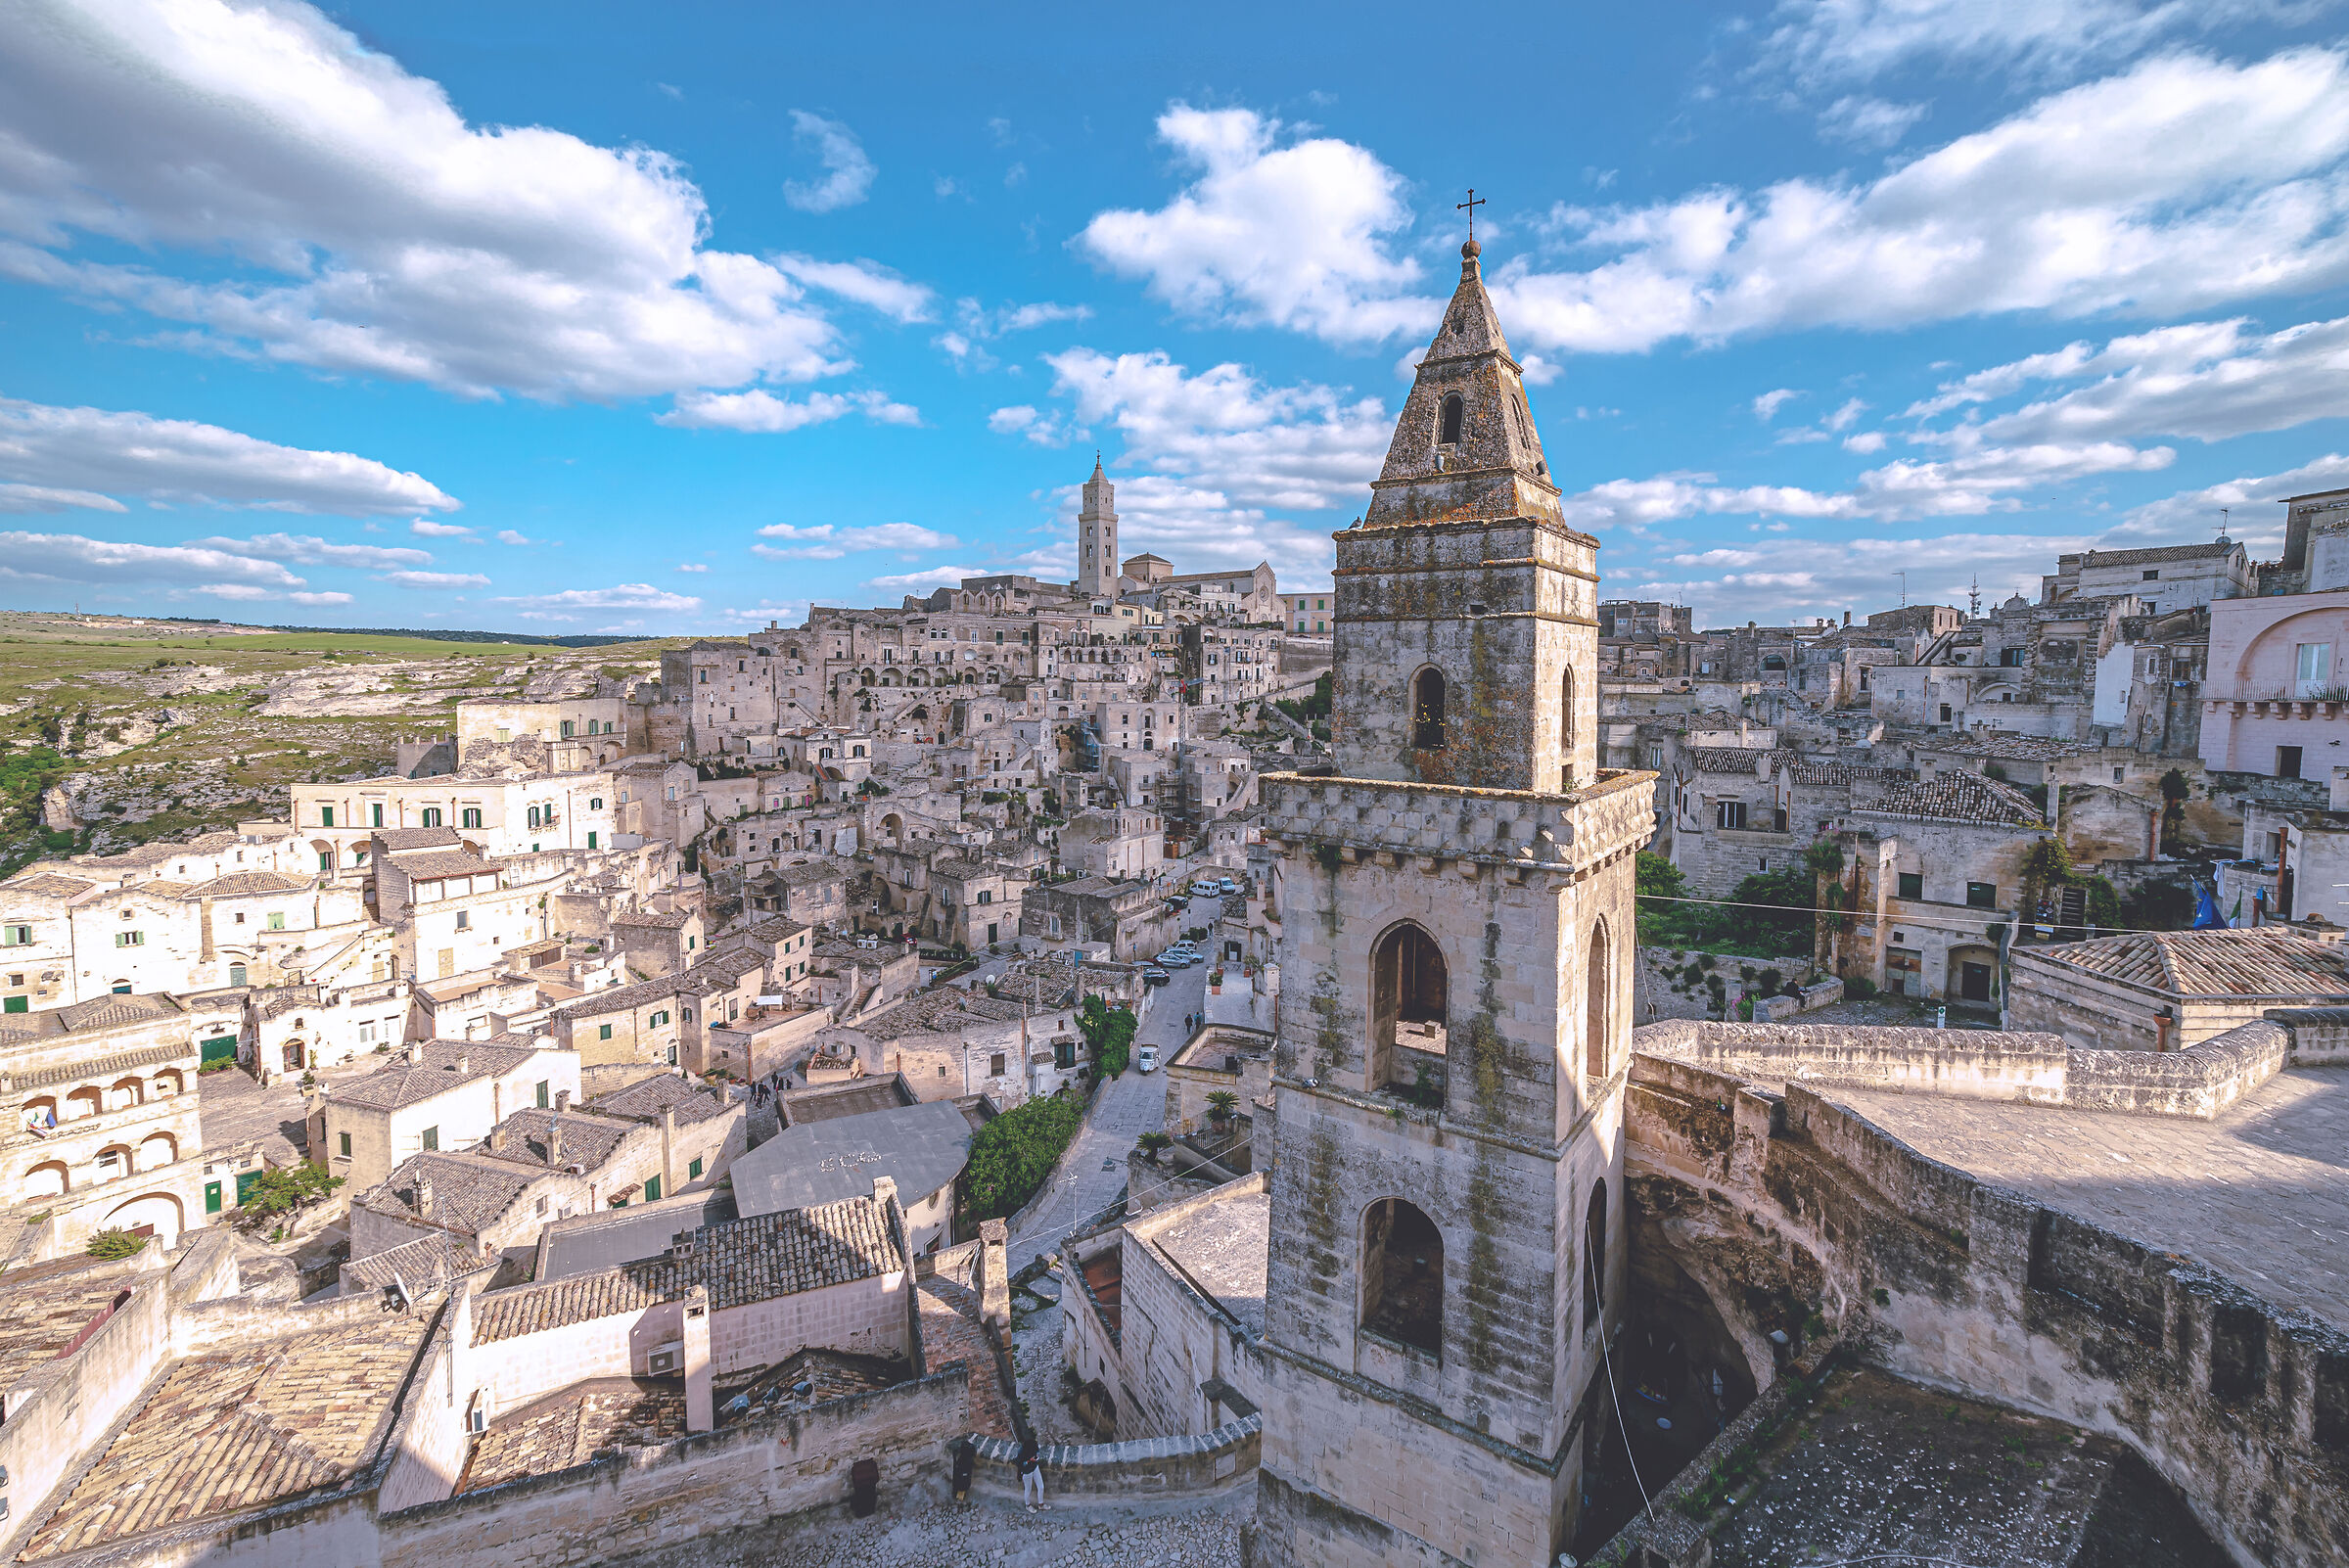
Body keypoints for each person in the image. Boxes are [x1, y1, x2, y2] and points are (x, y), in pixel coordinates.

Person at [1018, 1436, 1047, 1510]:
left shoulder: (1034, 1445)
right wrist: (1029, 1460)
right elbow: (1021, 1464)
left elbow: (1037, 1452)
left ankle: (1041, 1504)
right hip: (1027, 1471)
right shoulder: (1022, 1451)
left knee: (1041, 1487)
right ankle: (1027, 1505)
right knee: (1028, 1489)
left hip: (1035, 1467)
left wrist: (1036, 1457)